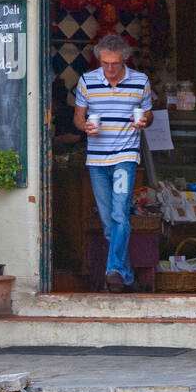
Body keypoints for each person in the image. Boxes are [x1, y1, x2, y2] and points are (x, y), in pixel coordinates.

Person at [72, 33, 152, 292]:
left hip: (125, 156)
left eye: (114, 63)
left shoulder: (141, 82)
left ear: (124, 60)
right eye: (104, 63)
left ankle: (113, 270)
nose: (109, 69)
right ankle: (125, 276)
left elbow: (149, 115)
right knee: (109, 221)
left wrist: (144, 122)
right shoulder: (87, 80)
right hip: (96, 159)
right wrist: (85, 127)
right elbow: (77, 118)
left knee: (119, 214)